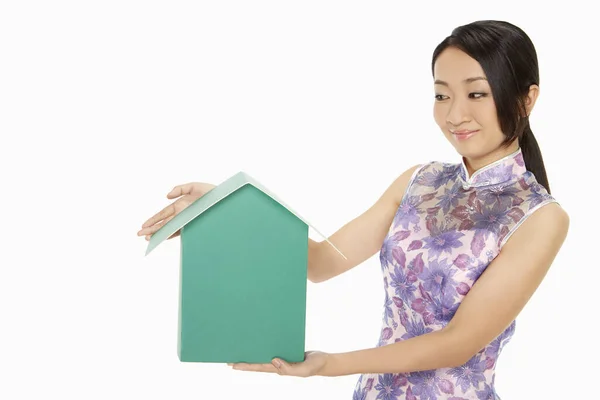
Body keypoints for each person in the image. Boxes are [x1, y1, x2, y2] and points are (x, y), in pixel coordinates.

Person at [137, 20, 569, 400]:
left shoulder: (540, 217)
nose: (456, 114)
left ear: (526, 99)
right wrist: (229, 207)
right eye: (441, 95)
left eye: (477, 93)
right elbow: (320, 262)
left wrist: (327, 364)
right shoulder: (419, 181)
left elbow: (457, 343)